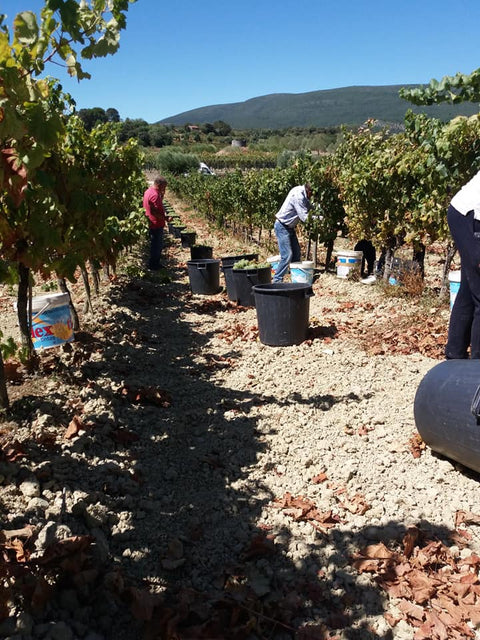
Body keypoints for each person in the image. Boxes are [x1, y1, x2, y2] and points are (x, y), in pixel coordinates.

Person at [445, 169, 480, 359]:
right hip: (470, 216)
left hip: (466, 215)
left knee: (469, 290)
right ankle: (476, 370)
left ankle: (454, 357)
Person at [273, 183, 313, 282]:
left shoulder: (302, 192)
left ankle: (296, 279)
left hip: (289, 227)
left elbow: (309, 206)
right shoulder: (298, 196)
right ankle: (277, 280)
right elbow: (304, 217)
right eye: (312, 195)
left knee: (296, 253)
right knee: (287, 255)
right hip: (282, 226)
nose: (312, 197)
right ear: (309, 191)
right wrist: (320, 219)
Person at [143, 176, 167, 271]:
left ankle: (155, 264)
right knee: (156, 245)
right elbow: (155, 212)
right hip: (155, 224)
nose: (164, 189)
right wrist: (166, 218)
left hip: (152, 222)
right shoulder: (155, 195)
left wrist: (162, 194)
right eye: (164, 187)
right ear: (159, 185)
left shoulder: (149, 191)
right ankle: (154, 265)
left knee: (155, 244)